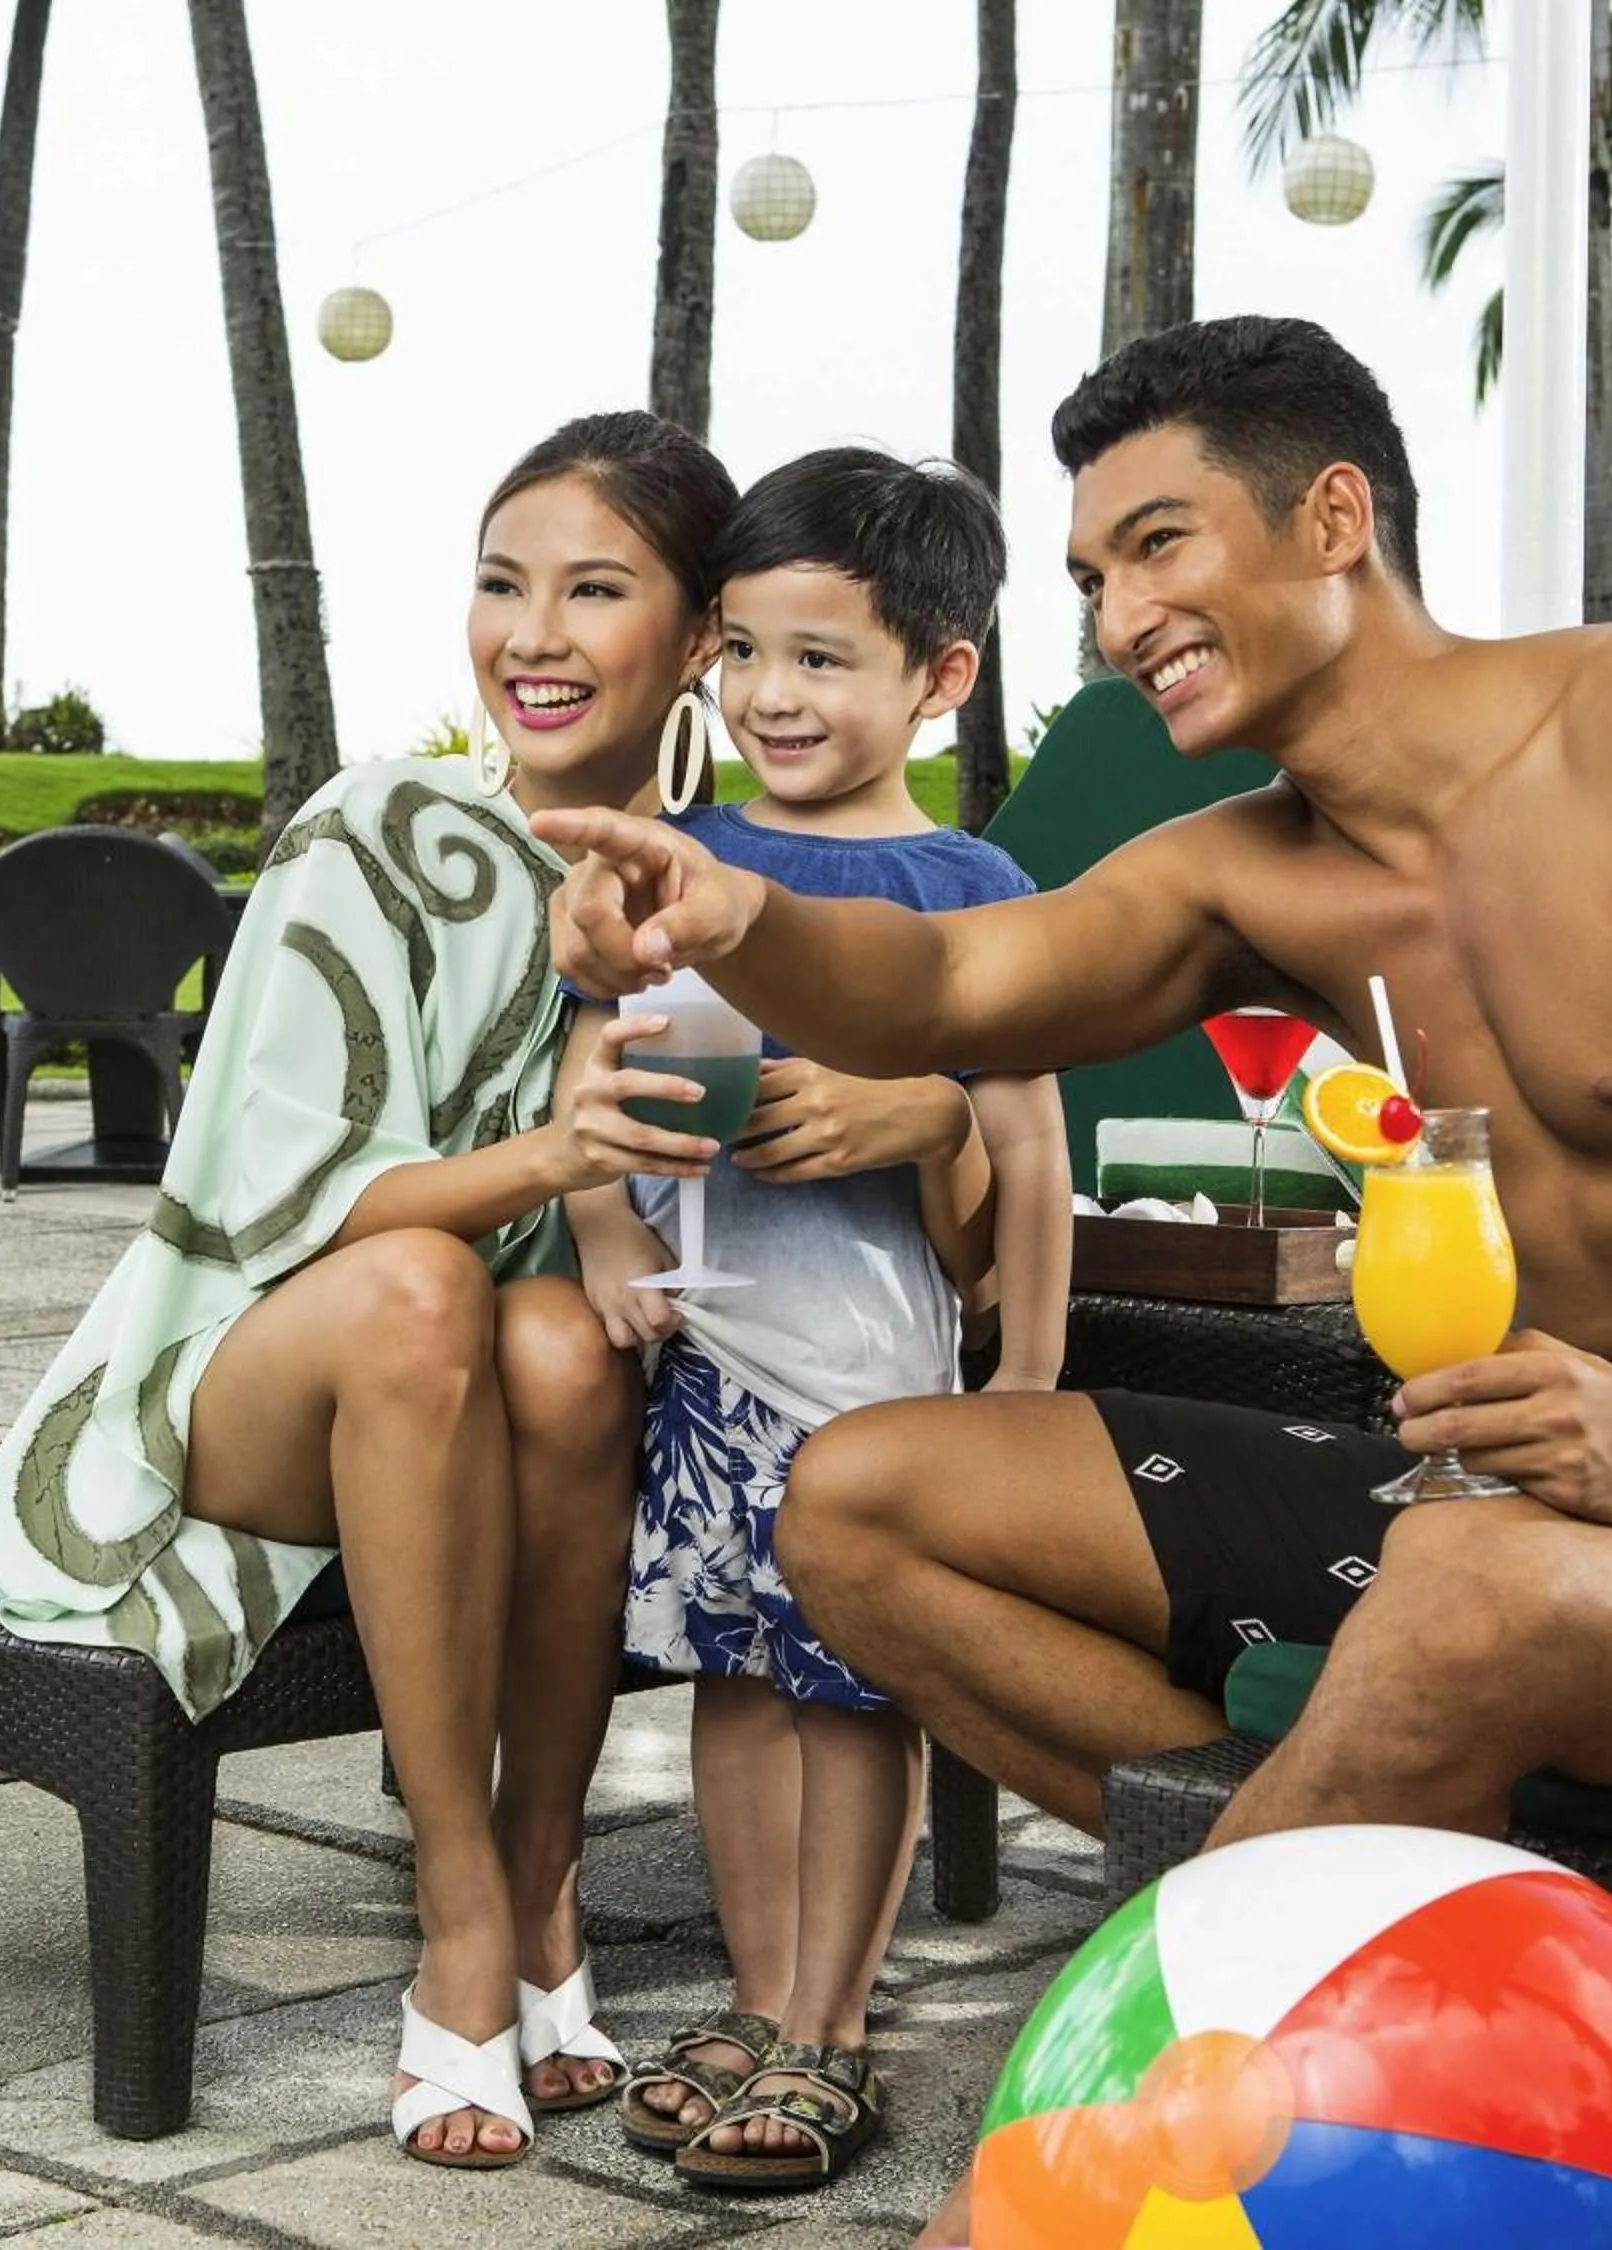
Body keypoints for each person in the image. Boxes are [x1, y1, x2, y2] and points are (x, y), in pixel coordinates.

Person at [541, 317, 1612, 2246]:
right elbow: (958, 989)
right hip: (1519, 1518)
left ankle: (1052, 2179)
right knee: (864, 1497)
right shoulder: (1251, 873)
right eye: (1090, 576)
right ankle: (1397, 1834)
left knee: (1468, 1590)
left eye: (1159, 544)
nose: (1119, 612)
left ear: (1335, 517)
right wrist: (730, 910)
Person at [0, 410, 755, 2170]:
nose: (532, 634)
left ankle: (550, 1890)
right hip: (256, 1379)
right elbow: (289, 1201)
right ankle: (460, 1920)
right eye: (501, 583)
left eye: (594, 590)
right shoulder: (379, 826)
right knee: (420, 1290)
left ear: (696, 637)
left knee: (553, 1335)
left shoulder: (704, 874)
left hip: (504, 1395)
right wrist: (558, 1158)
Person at [568, 451, 1070, 2194]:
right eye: (750, 651)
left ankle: (834, 2026)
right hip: (715, 1357)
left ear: (942, 674)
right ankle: (756, 1988)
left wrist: (1025, 1377)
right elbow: (596, 1065)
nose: (773, 694)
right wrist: (593, 1238)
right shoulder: (680, 854)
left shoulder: (969, 886)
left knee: (854, 1686)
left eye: (825, 658)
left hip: (875, 1375)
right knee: (733, 1672)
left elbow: (1027, 1148)